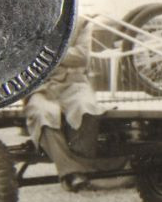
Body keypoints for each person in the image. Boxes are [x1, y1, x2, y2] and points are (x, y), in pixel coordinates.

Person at [23, 16, 108, 181]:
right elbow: (25, 55)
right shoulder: (29, 22)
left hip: (73, 83)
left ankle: (78, 167)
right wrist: (63, 55)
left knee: (86, 107)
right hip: (41, 86)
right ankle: (72, 172)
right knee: (43, 114)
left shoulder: (81, 22)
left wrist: (46, 52)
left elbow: (82, 56)